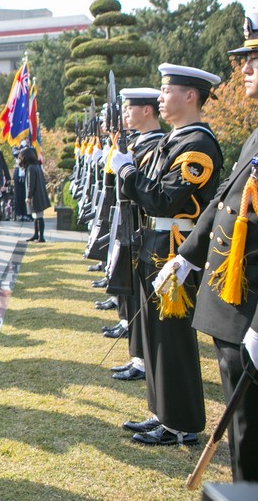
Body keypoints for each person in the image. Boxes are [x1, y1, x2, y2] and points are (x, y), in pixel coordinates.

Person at [159, 15, 258, 478]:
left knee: (250, 431)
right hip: (233, 301)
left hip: (250, 305)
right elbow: (226, 204)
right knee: (243, 429)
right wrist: (187, 256)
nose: (245, 69)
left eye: (255, 60)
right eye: (246, 59)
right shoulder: (256, 135)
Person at [110, 63, 224, 447]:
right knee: (155, 334)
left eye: (167, 90)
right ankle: (162, 413)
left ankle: (183, 423)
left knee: (172, 338)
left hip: (177, 250)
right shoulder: (173, 141)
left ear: (190, 96)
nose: (160, 98)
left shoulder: (198, 145)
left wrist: (127, 173)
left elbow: (162, 197)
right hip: (155, 245)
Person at [103, 87, 165, 380]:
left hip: (144, 227)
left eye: (131, 108)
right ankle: (137, 355)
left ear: (146, 110)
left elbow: (146, 191)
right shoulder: (140, 143)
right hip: (131, 223)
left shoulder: (155, 145)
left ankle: (141, 359)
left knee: (143, 299)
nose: (126, 113)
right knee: (131, 288)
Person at [20, 147, 50, 242]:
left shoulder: (31, 168)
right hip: (39, 194)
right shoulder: (36, 166)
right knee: (36, 216)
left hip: (35, 195)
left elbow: (30, 184)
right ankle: (36, 235)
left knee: (38, 216)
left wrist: (28, 196)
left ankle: (41, 237)